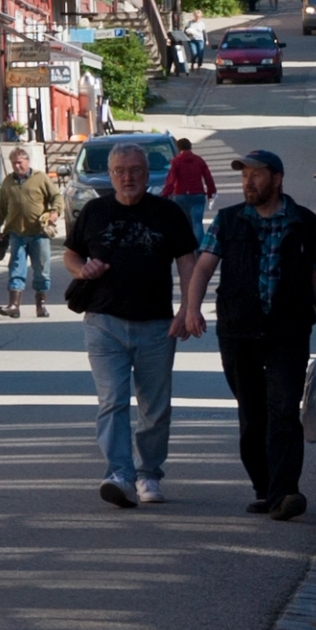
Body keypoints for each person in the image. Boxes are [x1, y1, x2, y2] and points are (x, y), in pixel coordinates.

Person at [191, 149, 316, 520]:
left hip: (288, 331)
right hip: (238, 331)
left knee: (284, 410)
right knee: (253, 415)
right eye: (244, 176)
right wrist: (190, 308)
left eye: (256, 175)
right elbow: (205, 267)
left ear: (277, 178)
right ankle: (266, 487)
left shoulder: (304, 222)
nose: (248, 182)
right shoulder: (227, 221)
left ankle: (285, 492)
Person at [66, 139, 205, 509]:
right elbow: (70, 252)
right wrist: (82, 269)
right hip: (103, 322)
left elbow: (187, 261)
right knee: (112, 400)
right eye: (120, 171)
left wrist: (188, 308)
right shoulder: (94, 211)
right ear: (111, 175)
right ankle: (119, 474)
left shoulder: (168, 213)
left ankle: (149, 475)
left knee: (155, 407)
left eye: (135, 171)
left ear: (148, 175)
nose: (128, 177)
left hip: (157, 325)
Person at [0, 147, 59, 318]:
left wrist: (55, 211)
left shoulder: (40, 178)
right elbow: (0, 208)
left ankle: (41, 304)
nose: (16, 166)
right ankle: (13, 306)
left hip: (39, 233)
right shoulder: (8, 182)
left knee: (41, 270)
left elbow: (56, 196)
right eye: (13, 163)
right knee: (16, 268)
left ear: (27, 162)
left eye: (19, 162)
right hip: (16, 233)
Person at [164, 139, 215, 239]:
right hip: (197, 195)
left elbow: (171, 180)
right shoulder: (199, 160)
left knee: (184, 224)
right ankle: (200, 250)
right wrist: (211, 193)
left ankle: (188, 249)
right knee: (197, 224)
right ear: (190, 146)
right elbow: (208, 178)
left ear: (178, 148)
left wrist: (165, 194)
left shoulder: (176, 161)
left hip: (180, 195)